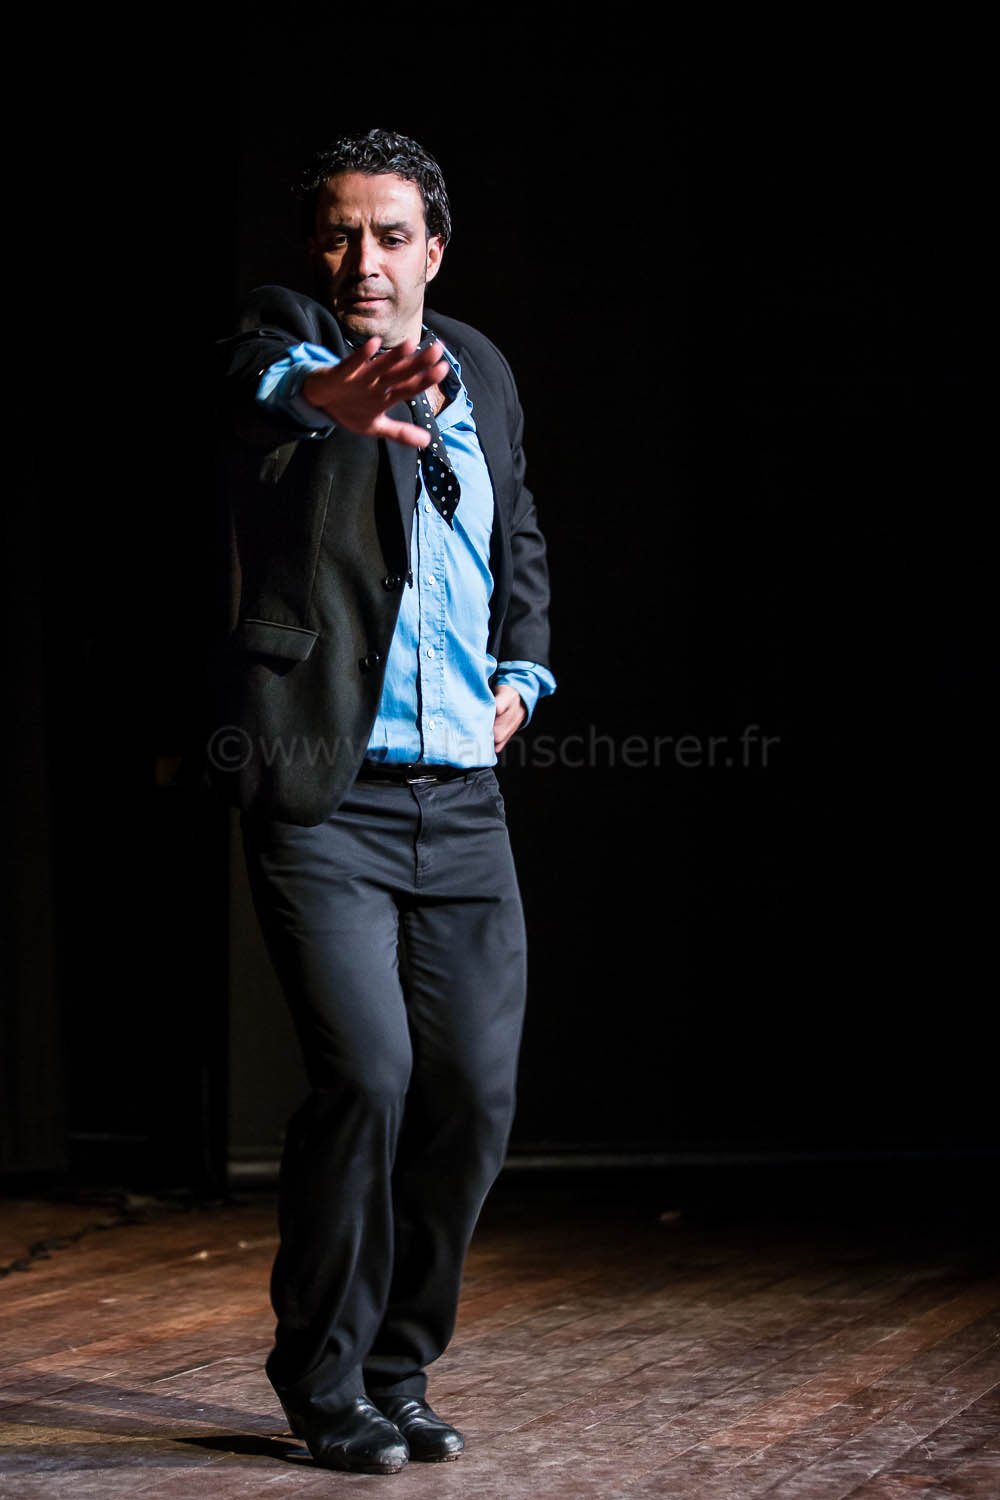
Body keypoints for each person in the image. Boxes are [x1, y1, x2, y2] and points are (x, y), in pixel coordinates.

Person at [211, 128, 555, 1475]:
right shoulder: (290, 340)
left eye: (392, 235)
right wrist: (330, 398)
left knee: (470, 1094)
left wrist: (524, 667)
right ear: (317, 249)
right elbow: (262, 382)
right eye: (341, 234)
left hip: (462, 800)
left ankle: (400, 1369)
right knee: (367, 1076)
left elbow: (517, 525)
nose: (365, 259)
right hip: (328, 796)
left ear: (434, 251)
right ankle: (324, 1379)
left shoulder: (486, 370)